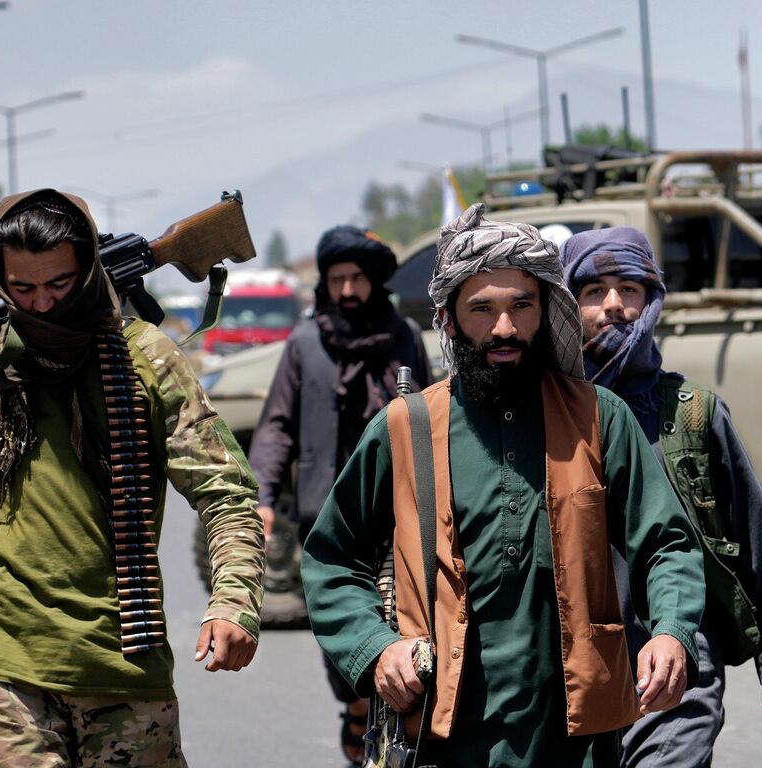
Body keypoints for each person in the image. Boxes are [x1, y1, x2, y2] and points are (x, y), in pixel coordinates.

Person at [0, 189, 263, 766]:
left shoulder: (144, 358)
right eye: (23, 288)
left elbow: (225, 492)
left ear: (89, 269)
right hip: (4, 660)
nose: (41, 305)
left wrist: (233, 601)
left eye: (59, 285)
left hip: (124, 663)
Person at [301, 205, 705, 767]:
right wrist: (376, 647)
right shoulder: (407, 428)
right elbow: (331, 558)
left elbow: (667, 542)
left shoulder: (598, 417)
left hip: (576, 740)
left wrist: (672, 632)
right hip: (443, 736)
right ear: (448, 319)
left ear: (545, 311)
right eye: (481, 310)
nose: (504, 329)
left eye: (521, 306)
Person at [559, 227, 762, 767]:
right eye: (593, 291)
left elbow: (754, 531)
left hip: (677, 666)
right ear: (566, 304)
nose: (614, 306)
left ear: (651, 300)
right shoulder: (543, 413)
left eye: (629, 289)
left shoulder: (693, 413)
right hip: (567, 674)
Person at [246, 224, 431, 764]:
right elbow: (277, 425)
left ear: (374, 282)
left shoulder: (404, 339)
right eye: (338, 280)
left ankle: (386, 724)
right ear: (325, 285)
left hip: (396, 520)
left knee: (401, 626)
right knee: (338, 631)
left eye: (357, 279)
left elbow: (427, 418)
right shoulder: (304, 344)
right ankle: (357, 706)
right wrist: (262, 497)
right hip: (326, 523)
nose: (348, 291)